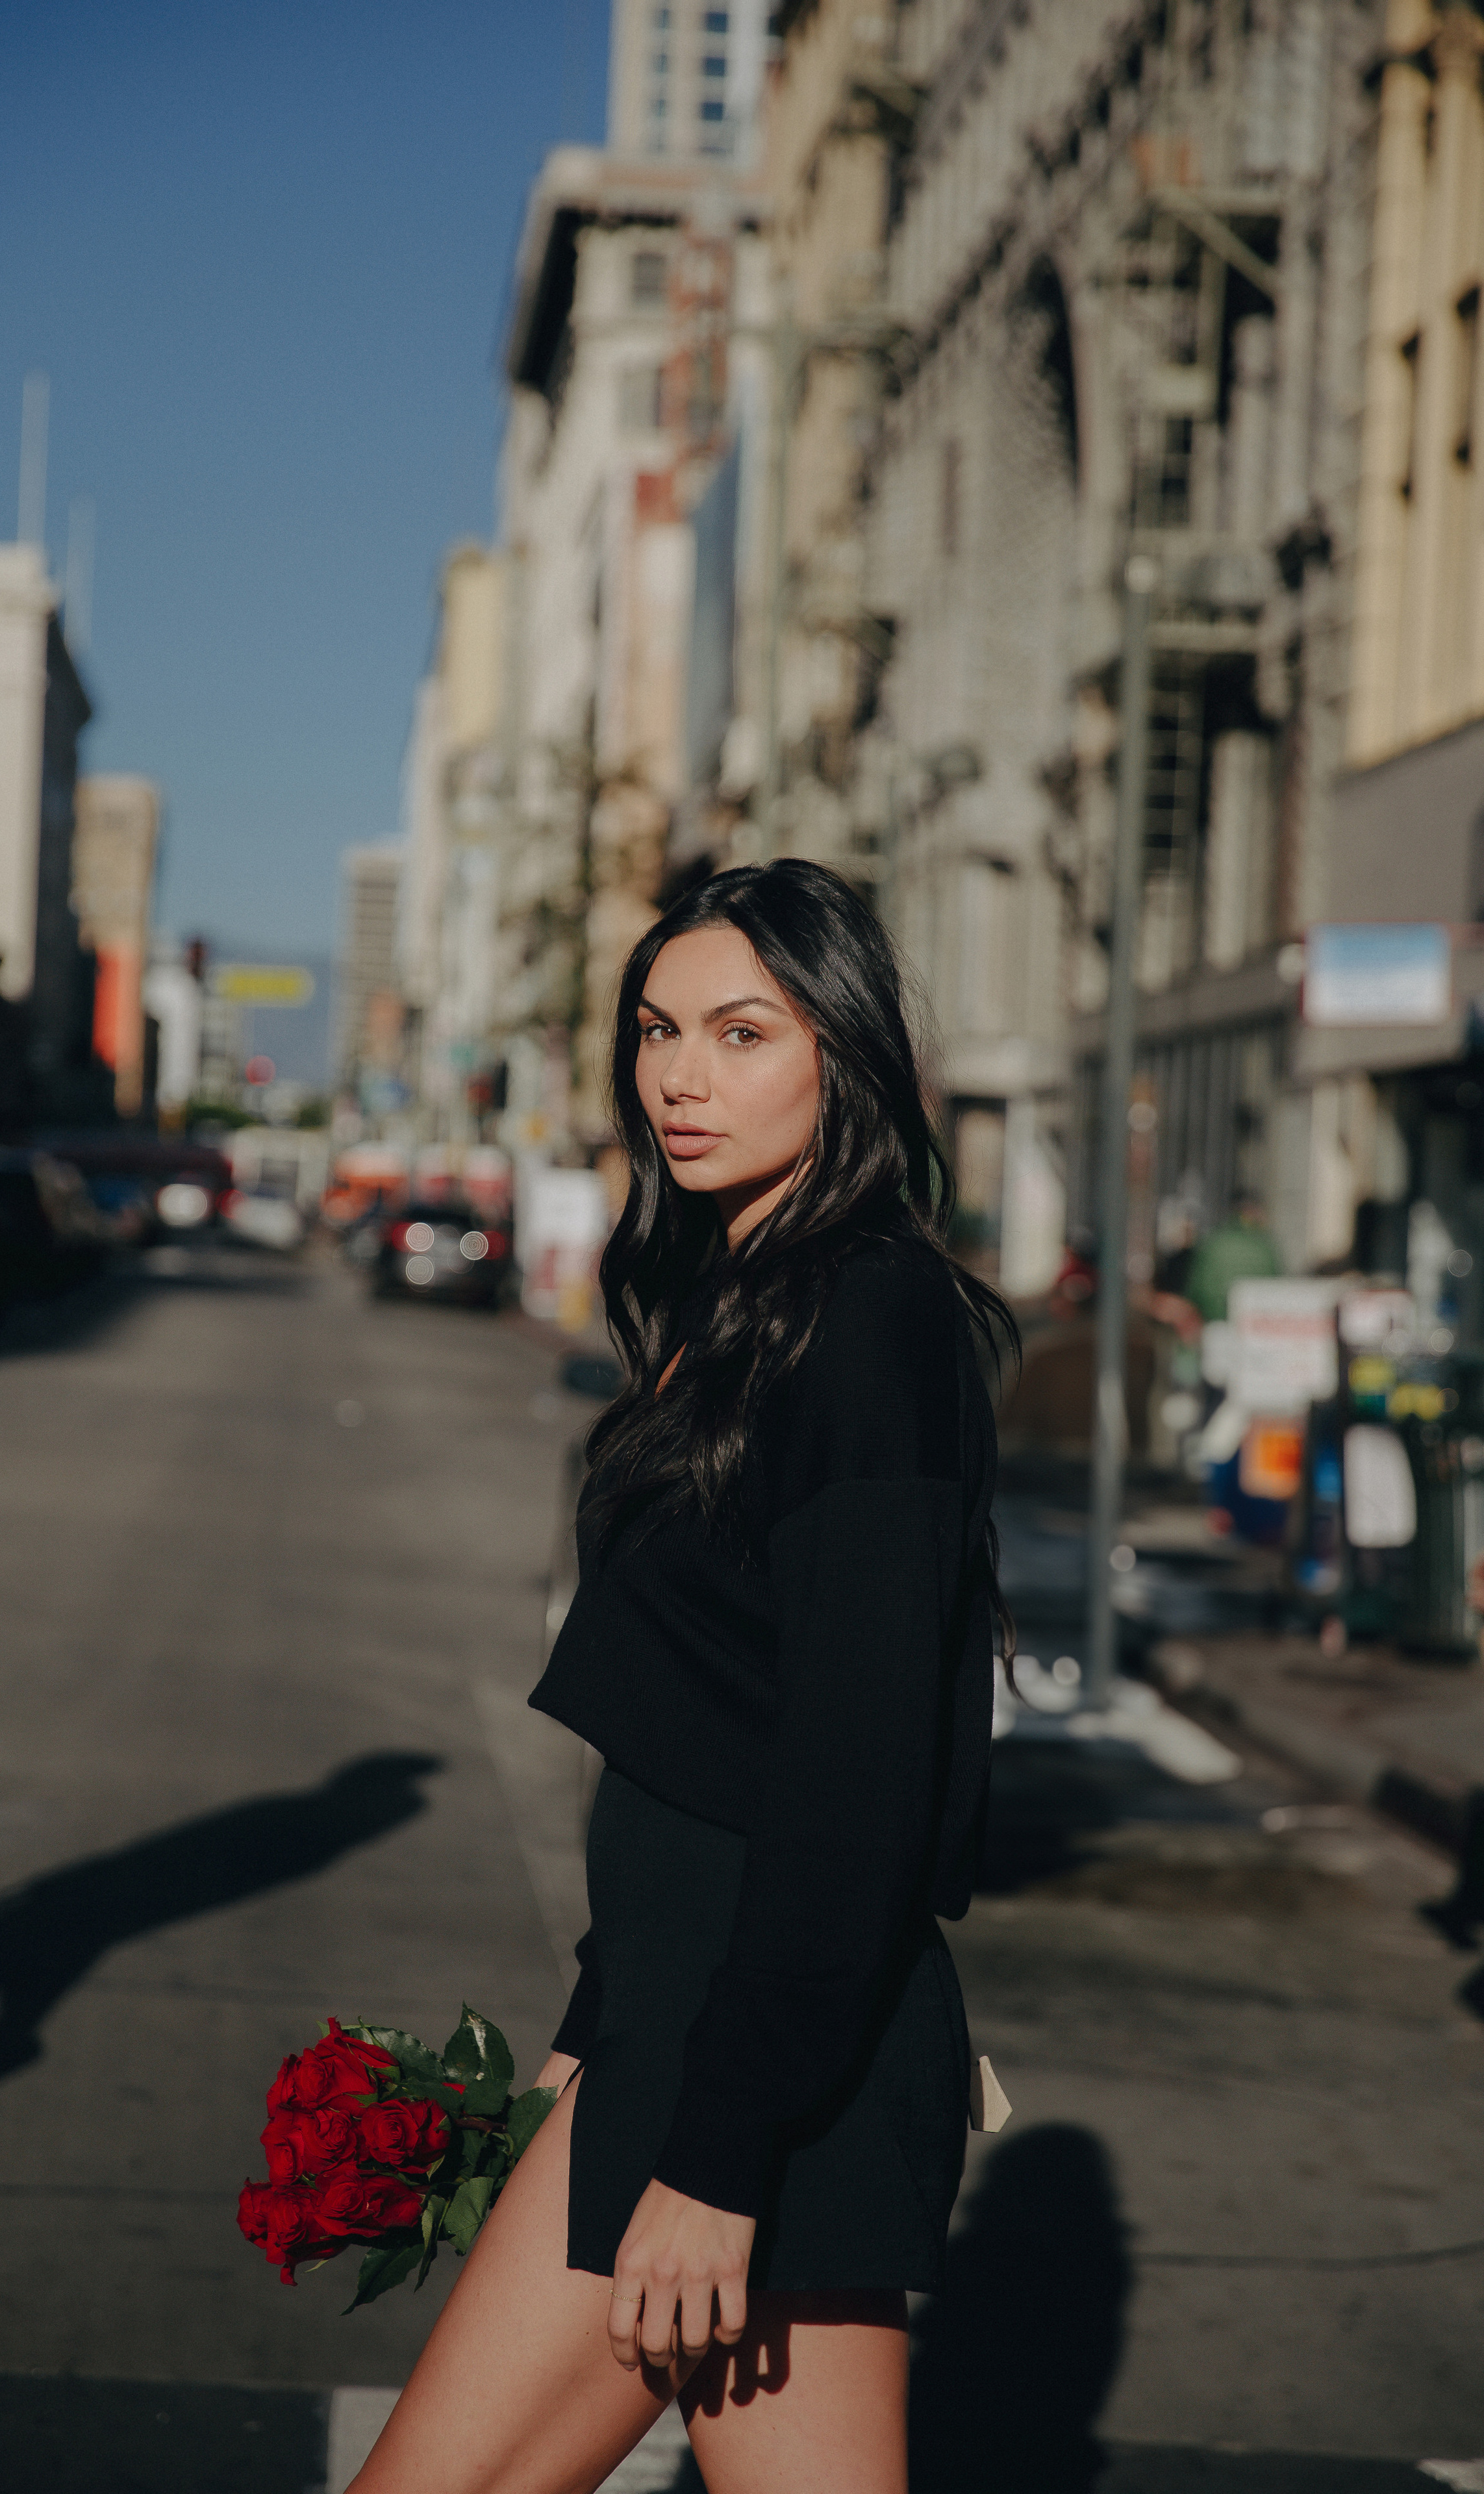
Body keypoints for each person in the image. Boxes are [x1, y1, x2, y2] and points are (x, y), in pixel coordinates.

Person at [347, 860, 1012, 2494]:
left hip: (757, 2055)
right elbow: (706, 1738)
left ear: (840, 1051)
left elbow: (851, 1781)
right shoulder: (747, 1300)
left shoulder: (868, 1318)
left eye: (738, 1029)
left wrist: (713, 2150)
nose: (679, 1075)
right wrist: (595, 2016)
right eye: (656, 1030)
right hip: (703, 2025)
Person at [1183, 1188, 1283, 1327]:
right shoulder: (1264, 1246)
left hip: (1215, 1325)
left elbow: (1196, 1288)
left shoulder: (1214, 1242)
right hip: (1254, 1327)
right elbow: (1278, 1286)